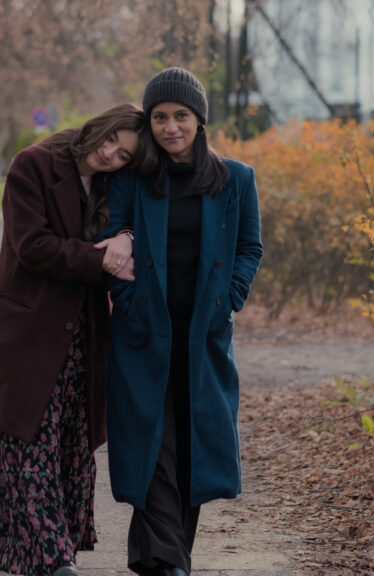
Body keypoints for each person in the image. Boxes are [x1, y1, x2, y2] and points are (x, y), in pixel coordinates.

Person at [0, 103, 146, 576]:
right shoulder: (34, 164)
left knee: (66, 444)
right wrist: (101, 260)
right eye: (111, 140)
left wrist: (125, 236)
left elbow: (129, 227)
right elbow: (32, 245)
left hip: (81, 335)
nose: (110, 155)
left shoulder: (112, 185)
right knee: (26, 445)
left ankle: (43, 551)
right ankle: (52, 559)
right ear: (100, 124)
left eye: (123, 155)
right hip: (25, 333)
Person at [102, 68, 263, 576]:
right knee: (153, 443)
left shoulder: (236, 179)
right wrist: (127, 303)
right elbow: (107, 243)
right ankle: (170, 561)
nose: (171, 126)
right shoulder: (131, 180)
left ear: (199, 120)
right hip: (143, 334)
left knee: (191, 446)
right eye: (160, 117)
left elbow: (249, 247)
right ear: (149, 123)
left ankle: (160, 558)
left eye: (181, 116)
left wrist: (229, 300)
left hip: (202, 337)